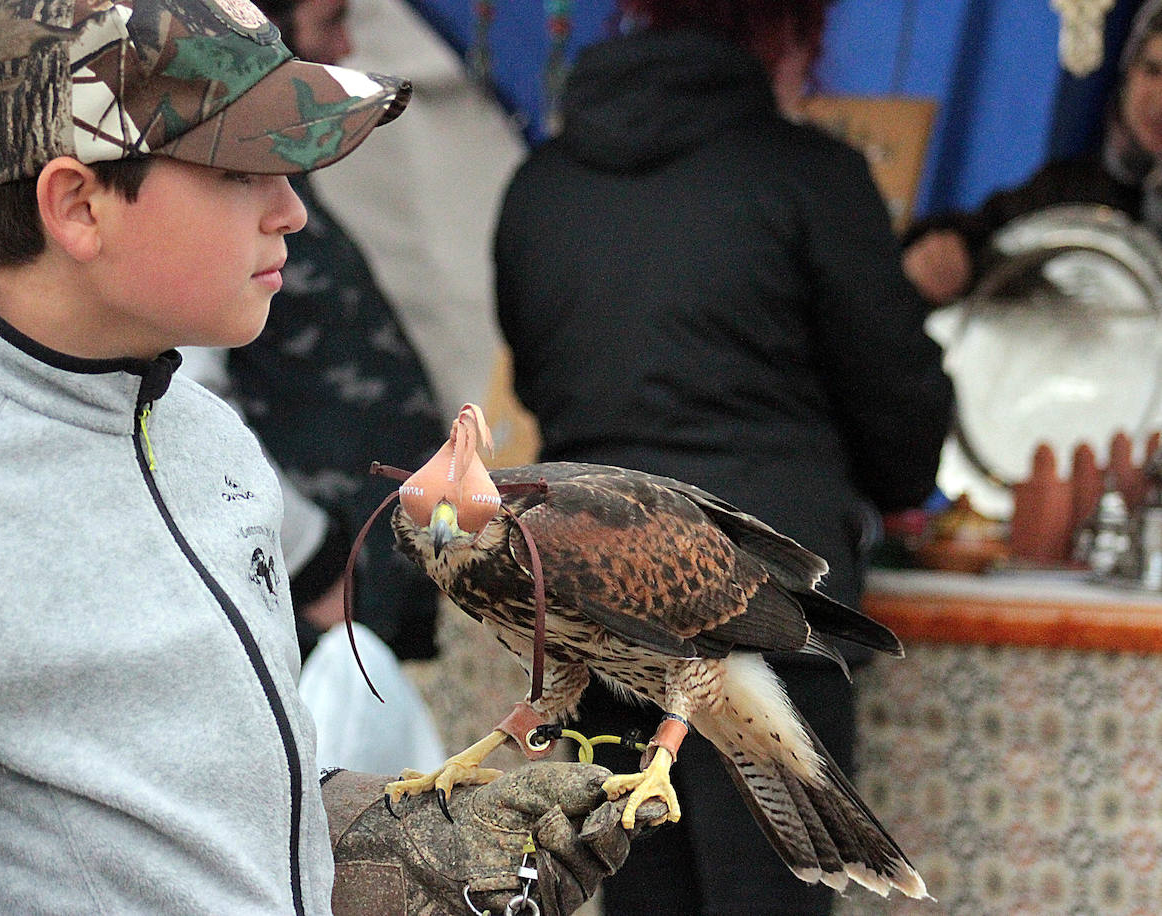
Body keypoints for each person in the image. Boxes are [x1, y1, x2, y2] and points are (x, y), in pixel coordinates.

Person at [0, 1, 653, 912]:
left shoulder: (211, 439)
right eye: (243, 170)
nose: (291, 210)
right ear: (78, 206)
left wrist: (385, 837)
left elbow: (184, 806)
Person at [493, 0, 954, 913]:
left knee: (640, 892)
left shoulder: (540, 184)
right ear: (785, 33)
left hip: (594, 603)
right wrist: (888, 486)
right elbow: (898, 403)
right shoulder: (810, 175)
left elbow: (544, 383)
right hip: (758, 608)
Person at [184, 0, 448, 665]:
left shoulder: (274, 175)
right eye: (329, 21)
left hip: (395, 560)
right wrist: (312, 562)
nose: (347, 45)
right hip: (341, 592)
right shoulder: (210, 189)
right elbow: (185, 395)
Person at [903, 0, 1162, 308]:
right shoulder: (1070, 187)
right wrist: (942, 256)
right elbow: (981, 233)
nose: (1159, 99)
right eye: (1152, 71)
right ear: (1128, 73)